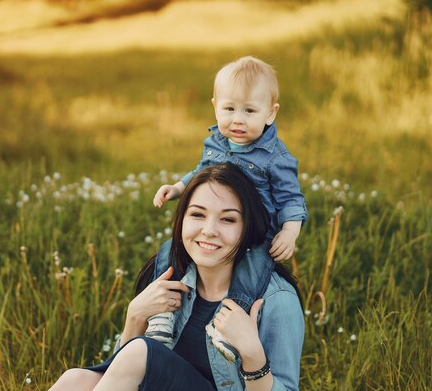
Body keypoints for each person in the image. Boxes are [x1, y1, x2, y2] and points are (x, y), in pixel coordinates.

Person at [48, 163, 304, 391]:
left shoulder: (276, 299)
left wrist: (252, 355)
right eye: (197, 215)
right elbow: (122, 372)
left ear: (247, 228)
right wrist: (134, 318)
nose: (209, 230)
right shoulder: (172, 278)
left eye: (227, 219)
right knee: (75, 380)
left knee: (139, 352)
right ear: (181, 219)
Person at [147, 56, 307, 352]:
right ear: (215, 106)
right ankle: (162, 314)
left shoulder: (275, 157)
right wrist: (178, 187)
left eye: (249, 111)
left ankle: (228, 327)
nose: (237, 119)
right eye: (229, 109)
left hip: (257, 234)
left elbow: (292, 198)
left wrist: (290, 231)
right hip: (223, 224)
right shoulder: (216, 142)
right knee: (171, 249)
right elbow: (201, 171)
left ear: (270, 114)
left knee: (250, 272)